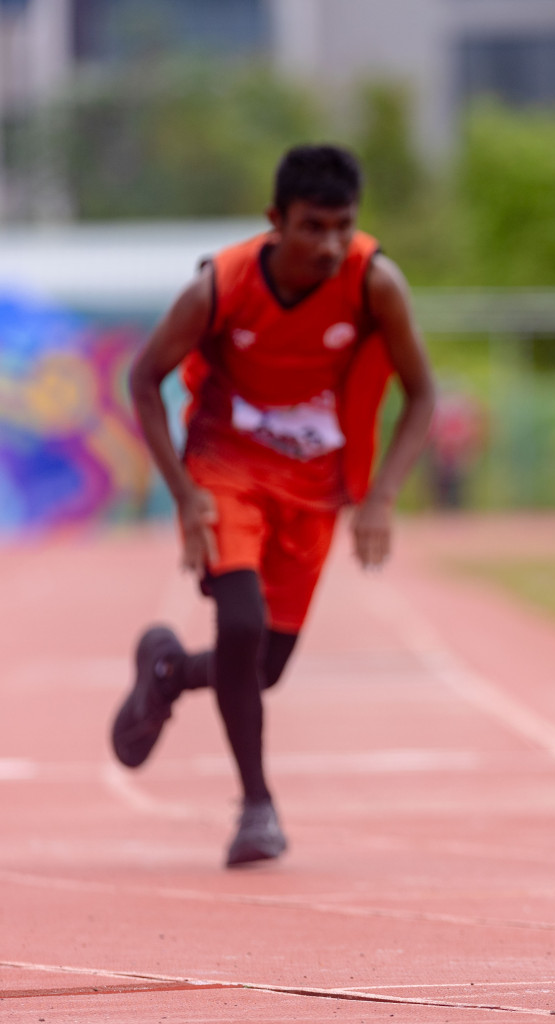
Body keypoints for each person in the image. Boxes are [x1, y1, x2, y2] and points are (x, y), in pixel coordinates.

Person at [110, 144, 436, 867]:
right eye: (312, 227)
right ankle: (257, 807)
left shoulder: (375, 283)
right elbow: (142, 379)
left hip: (315, 488)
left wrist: (381, 496)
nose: (329, 244)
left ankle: (167, 671)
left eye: (342, 227)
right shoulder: (219, 287)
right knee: (241, 622)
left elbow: (424, 393)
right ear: (275, 221)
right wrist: (185, 491)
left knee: (262, 666)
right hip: (225, 468)